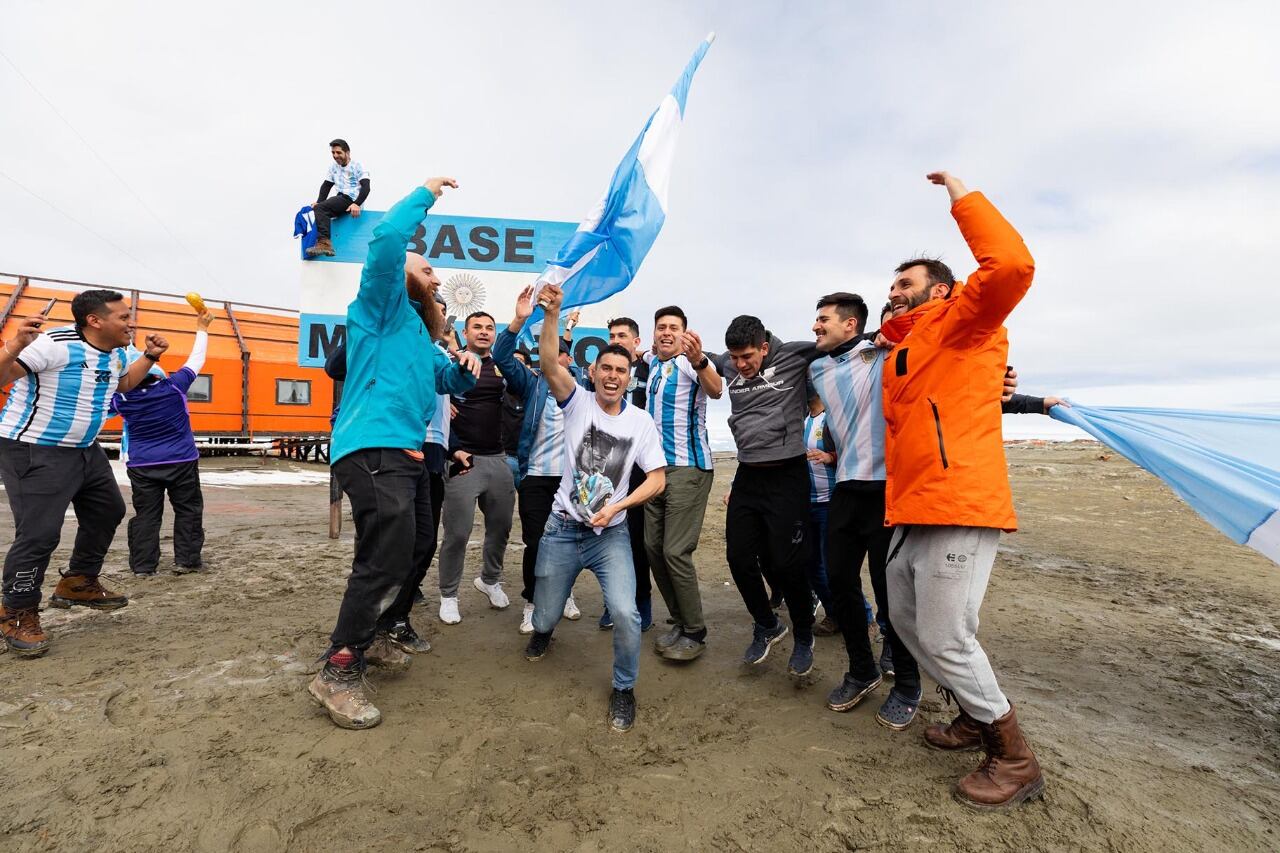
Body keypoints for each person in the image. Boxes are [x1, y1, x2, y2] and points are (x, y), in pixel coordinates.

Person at [877, 171, 1043, 809]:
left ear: (941, 290)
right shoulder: (906, 349)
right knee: (905, 618)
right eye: (892, 286)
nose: (894, 293)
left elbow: (1011, 268)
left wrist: (961, 196)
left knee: (946, 633)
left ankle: (1015, 759)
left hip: (958, 500)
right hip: (914, 506)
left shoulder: (961, 321)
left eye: (905, 285)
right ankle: (975, 714)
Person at [308, 176, 481, 730]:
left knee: (404, 550)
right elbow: (385, 239)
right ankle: (339, 669)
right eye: (426, 269)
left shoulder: (415, 334)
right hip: (373, 446)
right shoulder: (381, 306)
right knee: (384, 558)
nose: (436, 278)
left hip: (401, 453)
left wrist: (464, 368)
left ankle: (377, 633)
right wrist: (425, 193)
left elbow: (445, 380)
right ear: (402, 276)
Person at [523, 285, 666, 733]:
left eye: (621, 370)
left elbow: (657, 480)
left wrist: (618, 506)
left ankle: (624, 688)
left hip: (611, 535)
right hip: (562, 529)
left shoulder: (641, 422)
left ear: (629, 376)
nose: (612, 376)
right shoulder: (576, 402)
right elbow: (549, 363)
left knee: (626, 612)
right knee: (544, 614)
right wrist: (553, 314)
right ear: (593, 371)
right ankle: (544, 630)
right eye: (606, 367)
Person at [0, 290, 171, 656]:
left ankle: (77, 583)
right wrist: (15, 345)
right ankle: (16, 611)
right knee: (39, 534)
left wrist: (150, 356)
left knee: (108, 510)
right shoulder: (53, 344)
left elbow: (124, 383)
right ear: (95, 321)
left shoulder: (118, 352)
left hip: (84, 448)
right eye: (123, 317)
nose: (131, 323)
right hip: (34, 447)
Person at [809, 291, 924, 729]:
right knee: (840, 584)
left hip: (885, 491)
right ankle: (862, 669)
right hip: (845, 488)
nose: (815, 326)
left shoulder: (884, 352)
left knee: (890, 594)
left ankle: (908, 683)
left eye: (823, 319)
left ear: (851, 324)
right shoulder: (816, 367)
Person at [715, 316, 823, 677]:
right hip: (748, 474)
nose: (740, 365)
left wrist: (882, 336)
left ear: (764, 347)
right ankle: (767, 624)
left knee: (788, 563)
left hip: (787, 474)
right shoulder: (728, 363)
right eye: (735, 358)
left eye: (747, 357)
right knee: (738, 557)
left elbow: (838, 345)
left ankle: (804, 634)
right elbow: (709, 360)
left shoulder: (793, 355)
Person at [492, 286, 585, 633]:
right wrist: (518, 321)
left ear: (568, 359)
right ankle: (532, 602)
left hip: (571, 481)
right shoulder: (532, 383)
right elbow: (502, 358)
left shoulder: (584, 389)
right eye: (550, 354)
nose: (555, 360)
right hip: (536, 477)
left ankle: (566, 593)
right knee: (536, 542)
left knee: (570, 542)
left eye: (560, 354)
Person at [111, 305, 215, 576]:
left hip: (142, 464)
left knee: (146, 515)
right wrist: (202, 328)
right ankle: (186, 562)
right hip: (182, 460)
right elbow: (197, 360)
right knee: (188, 510)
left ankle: (143, 567)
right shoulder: (174, 386)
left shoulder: (121, 398)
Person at [644, 306, 722, 661]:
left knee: (675, 551)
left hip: (689, 468)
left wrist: (700, 359)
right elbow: (641, 352)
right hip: (656, 471)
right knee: (652, 547)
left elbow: (717, 390)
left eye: (673, 328)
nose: (666, 332)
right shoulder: (653, 363)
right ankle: (679, 620)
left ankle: (695, 630)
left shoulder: (691, 363)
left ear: (684, 334)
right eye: (661, 327)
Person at [437, 311, 517, 623]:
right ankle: (449, 595)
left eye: (489, 328)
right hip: (463, 460)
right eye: (477, 327)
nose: (484, 332)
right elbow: (433, 403)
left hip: (498, 458)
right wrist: (454, 446)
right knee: (457, 533)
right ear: (466, 332)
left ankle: (490, 580)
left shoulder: (502, 367)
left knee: (501, 528)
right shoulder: (450, 364)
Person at [597, 316, 654, 632]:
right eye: (612, 336)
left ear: (636, 341)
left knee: (637, 540)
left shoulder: (649, 370)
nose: (616, 340)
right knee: (608, 536)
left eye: (622, 335)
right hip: (609, 466)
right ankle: (613, 602)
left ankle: (642, 601)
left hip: (640, 469)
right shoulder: (603, 374)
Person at [803, 392, 875, 638]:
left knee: (834, 566)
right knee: (811, 566)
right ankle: (835, 613)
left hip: (832, 502)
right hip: (806, 503)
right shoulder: (801, 418)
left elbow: (856, 450)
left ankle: (864, 616)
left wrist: (830, 456)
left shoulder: (832, 417)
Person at [306, 139, 370, 257]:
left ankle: (325, 244)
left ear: (347, 153)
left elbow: (366, 187)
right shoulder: (333, 167)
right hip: (340, 199)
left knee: (321, 209)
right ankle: (323, 245)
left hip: (351, 200)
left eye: (339, 152)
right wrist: (319, 202)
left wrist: (357, 203)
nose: (335, 156)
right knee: (318, 210)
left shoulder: (357, 166)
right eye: (333, 153)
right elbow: (326, 186)